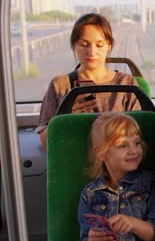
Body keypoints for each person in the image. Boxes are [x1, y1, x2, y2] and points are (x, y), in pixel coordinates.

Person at [36, 13, 141, 149]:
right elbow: (45, 143)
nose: (92, 52)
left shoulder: (127, 84)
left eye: (99, 45)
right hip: (74, 164)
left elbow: (140, 134)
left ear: (109, 45)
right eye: (84, 44)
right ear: (74, 45)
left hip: (119, 167)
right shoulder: (60, 86)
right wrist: (65, 118)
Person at [78, 112, 155, 241]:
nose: (133, 151)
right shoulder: (90, 194)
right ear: (100, 153)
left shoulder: (150, 184)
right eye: (123, 146)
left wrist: (132, 223)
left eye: (137, 143)